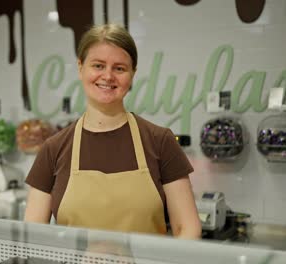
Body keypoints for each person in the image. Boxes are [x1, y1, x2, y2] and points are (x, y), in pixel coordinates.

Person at [24, 23, 201, 239]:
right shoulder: (53, 149)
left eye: (119, 68)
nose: (108, 76)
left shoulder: (160, 141)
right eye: (98, 66)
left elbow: (187, 229)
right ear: (80, 67)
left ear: (132, 74)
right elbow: (33, 238)